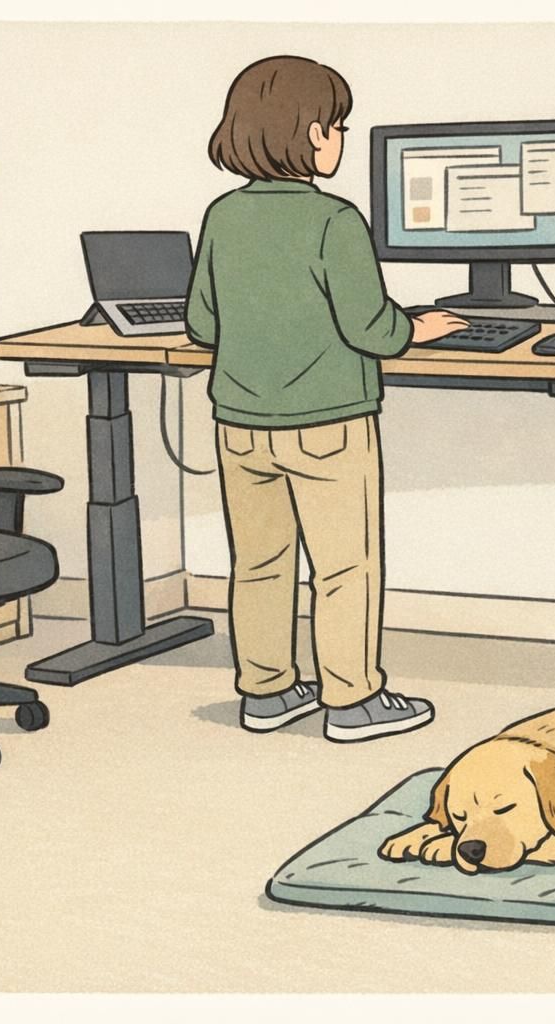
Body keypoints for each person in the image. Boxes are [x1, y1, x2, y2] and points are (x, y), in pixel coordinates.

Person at [186, 55, 467, 742]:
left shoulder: (222, 215)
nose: (339, 137)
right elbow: (373, 328)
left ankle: (267, 692)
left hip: (242, 427)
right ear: (311, 133)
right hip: (329, 425)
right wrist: (419, 328)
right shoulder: (334, 220)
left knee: (259, 563)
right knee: (344, 564)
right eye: (336, 124)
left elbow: (202, 324)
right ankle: (351, 700)